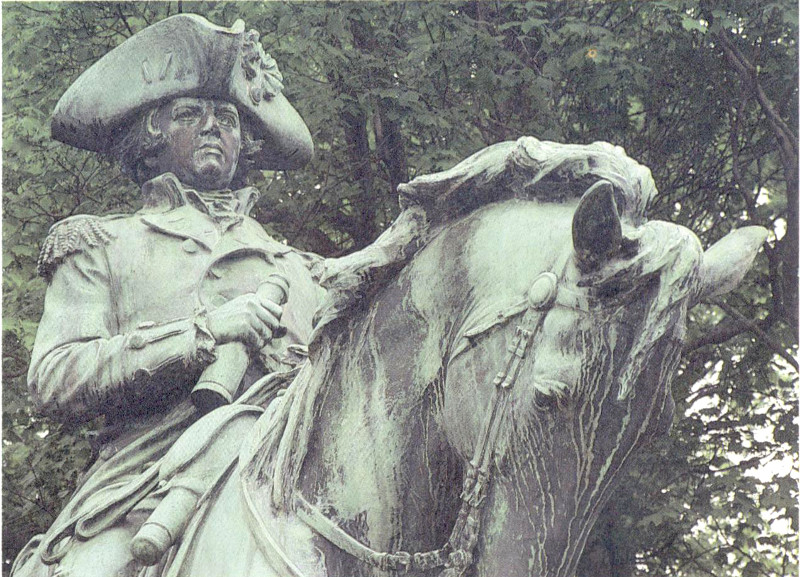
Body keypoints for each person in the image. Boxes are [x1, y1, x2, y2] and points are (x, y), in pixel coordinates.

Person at [12, 14, 324, 577]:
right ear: (150, 140)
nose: (212, 127)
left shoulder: (302, 269)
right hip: (142, 485)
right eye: (189, 114)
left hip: (300, 485)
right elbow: (55, 377)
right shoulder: (101, 243)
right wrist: (201, 336)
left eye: (227, 118)